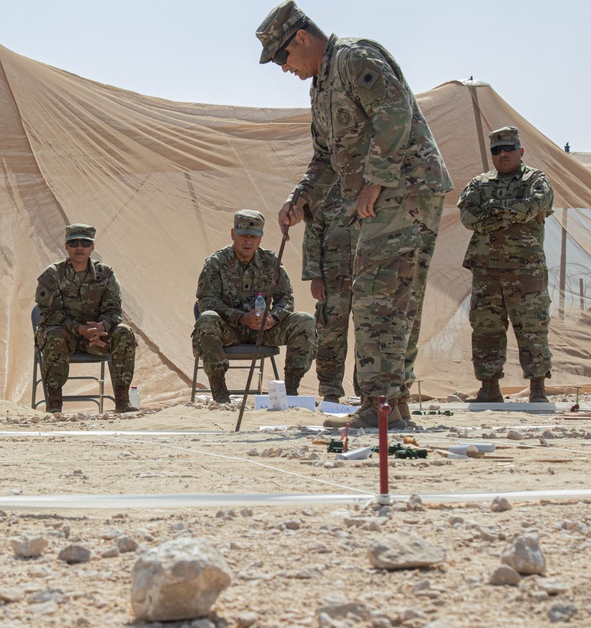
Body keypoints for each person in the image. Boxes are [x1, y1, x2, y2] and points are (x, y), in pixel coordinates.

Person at [256, 1, 453, 429]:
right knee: (396, 299)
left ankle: (376, 405)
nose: (283, 68)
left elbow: (394, 110)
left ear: (302, 38)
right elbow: (325, 157)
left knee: (375, 297)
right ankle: (393, 406)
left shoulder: (353, 58)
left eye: (283, 56)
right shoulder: (320, 88)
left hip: (405, 188)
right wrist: (301, 200)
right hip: (387, 194)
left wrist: (377, 179)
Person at [457, 126, 554, 403]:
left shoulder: (536, 179)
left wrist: (492, 211)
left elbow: (534, 206)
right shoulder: (479, 183)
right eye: (496, 151)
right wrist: (511, 212)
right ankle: (489, 387)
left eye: (508, 149)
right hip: (486, 270)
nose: (502, 154)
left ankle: (537, 387)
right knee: (486, 327)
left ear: (520, 151)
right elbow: (468, 218)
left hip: (526, 270)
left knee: (532, 326)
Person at [193, 210, 316, 402]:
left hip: (264, 330)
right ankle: (220, 393)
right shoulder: (216, 263)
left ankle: (290, 392)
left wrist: (273, 318)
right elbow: (206, 300)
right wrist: (240, 317)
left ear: (260, 239)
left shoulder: (270, 262)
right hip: (229, 330)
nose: (248, 242)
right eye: (243, 236)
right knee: (207, 319)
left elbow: (286, 297)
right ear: (233, 234)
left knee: (305, 320)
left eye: (253, 237)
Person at [34, 224, 138, 414]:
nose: (79, 247)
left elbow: (114, 309)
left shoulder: (105, 274)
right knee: (54, 335)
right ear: (66, 246)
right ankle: (54, 403)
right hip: (64, 335)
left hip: (95, 337)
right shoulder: (53, 274)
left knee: (124, 333)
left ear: (92, 247)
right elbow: (50, 314)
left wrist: (102, 326)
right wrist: (78, 329)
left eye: (85, 243)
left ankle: (122, 400)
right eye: (74, 243)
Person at [302, 183, 359, 403]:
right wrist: (315, 275)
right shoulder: (325, 190)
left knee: (368, 336)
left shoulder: (371, 185)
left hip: (368, 275)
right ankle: (330, 389)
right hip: (333, 277)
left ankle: (367, 391)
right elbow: (313, 234)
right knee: (329, 335)